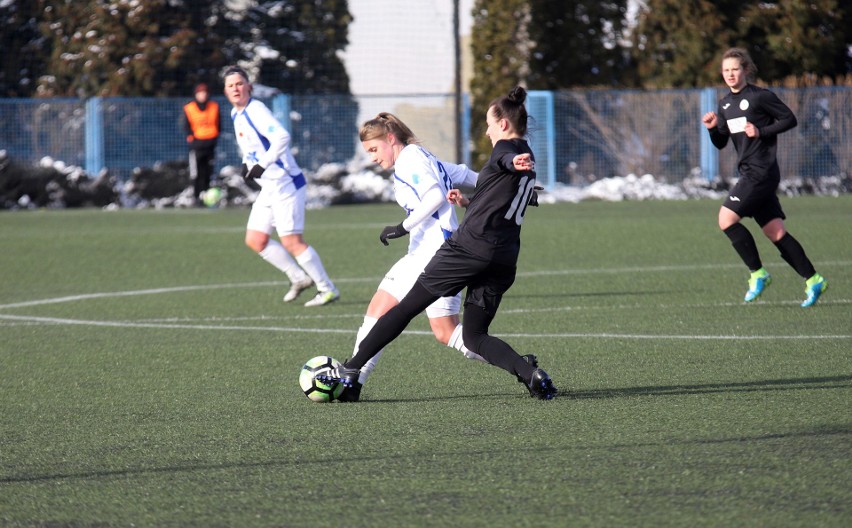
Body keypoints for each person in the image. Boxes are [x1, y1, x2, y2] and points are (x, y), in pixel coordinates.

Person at [320, 87, 558, 400]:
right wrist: (483, 194)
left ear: (391, 137)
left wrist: (401, 227)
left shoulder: (414, 160)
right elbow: (472, 175)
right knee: (460, 334)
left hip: (451, 251)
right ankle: (527, 372)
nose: (485, 130)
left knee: (392, 308)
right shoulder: (434, 157)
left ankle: (352, 375)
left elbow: (496, 164)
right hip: (501, 256)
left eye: (374, 149)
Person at [701, 48, 827, 308]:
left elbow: (789, 119)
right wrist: (713, 128)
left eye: (735, 69)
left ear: (745, 70)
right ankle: (814, 279)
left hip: (761, 171)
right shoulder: (725, 104)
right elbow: (720, 143)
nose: (730, 74)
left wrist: (761, 131)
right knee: (775, 231)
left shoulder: (759, 97)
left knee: (726, 218)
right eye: (726, 71)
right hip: (750, 172)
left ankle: (758, 274)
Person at [223, 66, 339, 307]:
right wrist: (247, 164)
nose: (235, 88)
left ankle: (327, 289)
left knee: (292, 241)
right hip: (270, 187)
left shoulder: (256, 109)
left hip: (286, 184)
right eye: (230, 85)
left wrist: (263, 165)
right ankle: (299, 278)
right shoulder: (237, 113)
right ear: (225, 91)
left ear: (249, 87)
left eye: (239, 83)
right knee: (256, 240)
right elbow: (251, 147)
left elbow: (282, 137)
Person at [183, 83, 221, 204]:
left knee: (208, 172)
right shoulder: (189, 108)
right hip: (197, 145)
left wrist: (214, 139)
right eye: (200, 93)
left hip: (210, 144)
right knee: (196, 172)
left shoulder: (214, 107)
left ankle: (207, 198)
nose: (203, 95)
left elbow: (219, 125)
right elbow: (186, 127)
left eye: (204, 93)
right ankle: (196, 196)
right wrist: (192, 140)